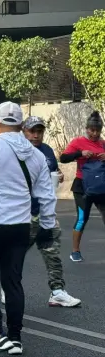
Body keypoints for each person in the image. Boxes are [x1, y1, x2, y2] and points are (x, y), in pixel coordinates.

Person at [0, 102, 56, 357]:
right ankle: (15, 338)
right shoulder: (37, 155)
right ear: (21, 125)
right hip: (20, 227)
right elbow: (47, 195)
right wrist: (47, 227)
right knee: (12, 282)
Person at [17, 117, 81, 307]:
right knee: (16, 254)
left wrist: (59, 175)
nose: (36, 135)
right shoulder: (18, 151)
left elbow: (54, 169)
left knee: (52, 253)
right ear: (24, 131)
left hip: (46, 211)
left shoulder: (46, 150)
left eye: (39, 131)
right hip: (23, 213)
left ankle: (57, 291)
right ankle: (8, 288)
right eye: (32, 131)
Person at [60, 111, 105, 262]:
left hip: (100, 186)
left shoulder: (103, 143)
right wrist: (80, 153)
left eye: (98, 130)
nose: (95, 133)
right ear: (86, 128)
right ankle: (75, 251)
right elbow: (63, 158)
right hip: (82, 187)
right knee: (82, 218)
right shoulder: (77, 142)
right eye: (92, 130)